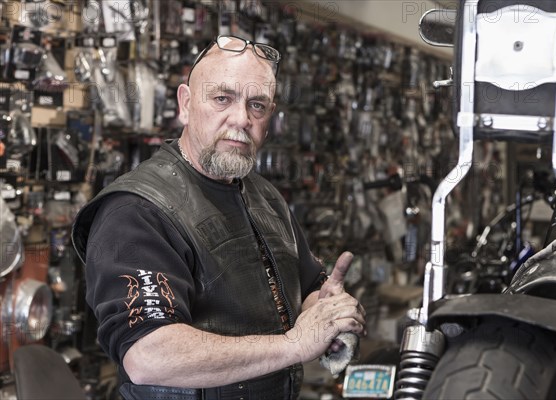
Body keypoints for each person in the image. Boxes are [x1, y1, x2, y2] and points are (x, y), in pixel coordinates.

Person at [72, 35, 366, 400]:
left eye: (257, 105)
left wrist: (329, 312)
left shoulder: (264, 195)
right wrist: (295, 344)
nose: (241, 119)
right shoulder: (136, 211)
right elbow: (150, 354)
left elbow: (304, 289)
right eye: (222, 98)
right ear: (186, 104)